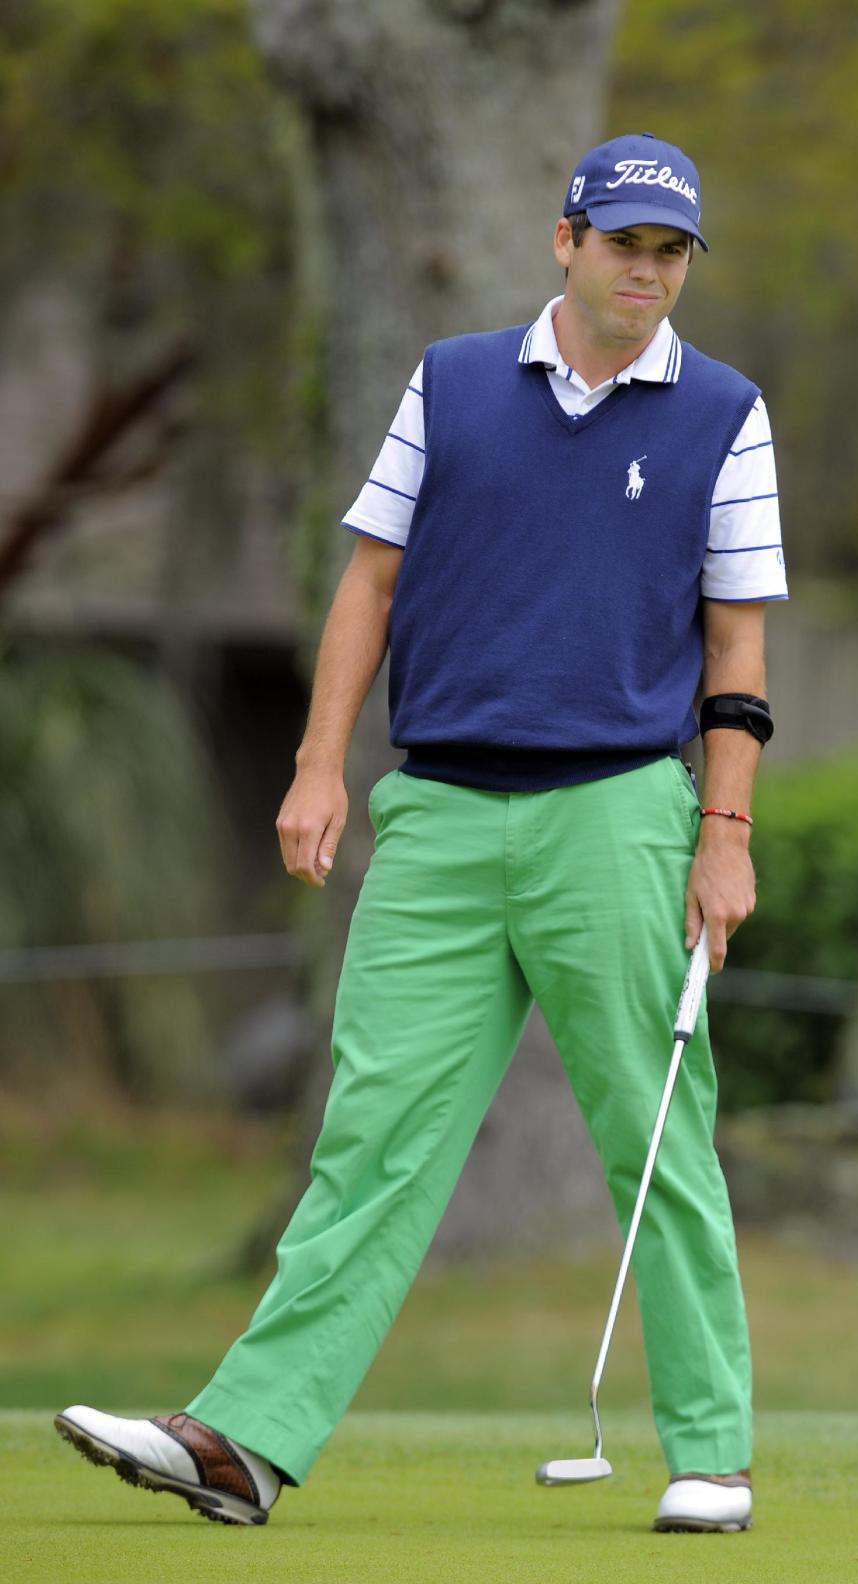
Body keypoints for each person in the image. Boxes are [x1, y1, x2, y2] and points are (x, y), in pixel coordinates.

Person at [55, 131, 787, 1535]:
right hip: (439, 813)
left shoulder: (725, 413)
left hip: (619, 814)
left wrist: (726, 829)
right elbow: (369, 584)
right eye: (625, 243)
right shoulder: (450, 384)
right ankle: (244, 1445)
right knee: (372, 1138)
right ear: (563, 239)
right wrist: (318, 765)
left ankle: (712, 1452)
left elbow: (736, 650)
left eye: (671, 253)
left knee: (656, 1136)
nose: (648, 272)